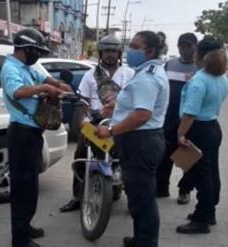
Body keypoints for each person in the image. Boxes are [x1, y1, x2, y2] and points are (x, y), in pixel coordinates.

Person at [95, 31, 169, 247]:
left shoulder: (147, 77)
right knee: (139, 197)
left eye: (135, 46)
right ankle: (140, 239)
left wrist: (111, 131)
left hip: (140, 142)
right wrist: (115, 105)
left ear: (150, 51)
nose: (130, 50)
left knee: (142, 201)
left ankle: (146, 243)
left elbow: (142, 115)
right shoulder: (147, 71)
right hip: (143, 140)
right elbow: (136, 103)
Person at [0, 28, 72, 247]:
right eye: (36, 51)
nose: (38, 55)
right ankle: (20, 240)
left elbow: (46, 77)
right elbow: (18, 92)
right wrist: (45, 88)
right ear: (25, 49)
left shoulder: (29, 67)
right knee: (22, 188)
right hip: (21, 134)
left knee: (31, 185)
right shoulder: (10, 68)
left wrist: (59, 85)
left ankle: (26, 226)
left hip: (33, 133)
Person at [59, 34, 134, 213]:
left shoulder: (130, 74)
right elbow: (84, 100)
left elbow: (134, 99)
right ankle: (77, 197)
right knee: (80, 157)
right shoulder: (90, 75)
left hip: (121, 124)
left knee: (129, 160)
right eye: (106, 51)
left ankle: (129, 198)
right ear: (100, 53)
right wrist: (87, 117)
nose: (110, 55)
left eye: (113, 51)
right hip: (95, 121)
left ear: (119, 53)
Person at [176, 37, 228, 234]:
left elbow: (190, 113)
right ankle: (209, 212)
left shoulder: (198, 81)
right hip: (213, 127)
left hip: (198, 129)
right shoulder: (221, 78)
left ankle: (201, 220)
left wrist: (181, 134)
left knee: (202, 176)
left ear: (200, 54)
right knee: (211, 173)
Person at [156, 33, 198, 204]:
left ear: (195, 47)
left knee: (188, 156)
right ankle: (161, 187)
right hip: (169, 117)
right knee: (165, 154)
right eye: (182, 45)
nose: (185, 49)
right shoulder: (169, 65)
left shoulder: (199, 68)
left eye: (188, 46)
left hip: (189, 119)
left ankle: (185, 190)